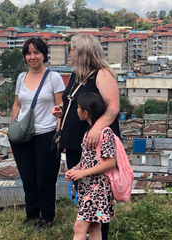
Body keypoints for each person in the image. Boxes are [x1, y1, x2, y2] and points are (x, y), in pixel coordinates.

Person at [52, 33, 120, 240]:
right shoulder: (77, 75)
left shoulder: (103, 74)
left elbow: (113, 107)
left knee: (98, 193)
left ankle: (97, 235)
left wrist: (97, 128)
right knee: (84, 192)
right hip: (76, 144)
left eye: (71, 49)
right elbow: (77, 103)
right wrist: (63, 109)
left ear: (81, 52)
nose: (69, 53)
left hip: (96, 146)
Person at [10, 37, 65, 231]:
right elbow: (17, 104)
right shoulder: (21, 77)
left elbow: (61, 107)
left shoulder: (54, 78)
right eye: (29, 53)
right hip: (23, 136)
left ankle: (47, 217)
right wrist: (13, 128)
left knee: (45, 179)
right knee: (28, 178)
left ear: (44, 55)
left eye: (36, 52)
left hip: (46, 133)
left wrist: (58, 132)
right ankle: (32, 215)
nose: (32, 57)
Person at [65, 92, 116, 240]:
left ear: (85, 113)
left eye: (78, 108)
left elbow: (110, 162)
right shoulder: (89, 133)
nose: (77, 110)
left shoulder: (104, 133)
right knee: (94, 227)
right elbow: (88, 159)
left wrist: (83, 173)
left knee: (79, 227)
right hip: (88, 187)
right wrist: (76, 169)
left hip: (97, 188)